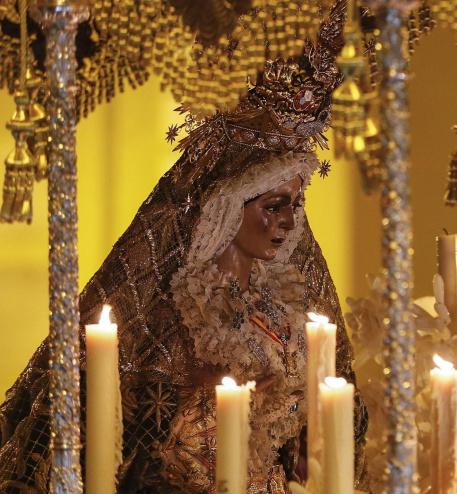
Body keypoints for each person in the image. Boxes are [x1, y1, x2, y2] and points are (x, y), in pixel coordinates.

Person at [0, 2, 368, 492]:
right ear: (228, 206)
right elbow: (131, 440)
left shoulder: (290, 309)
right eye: (274, 205)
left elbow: (327, 429)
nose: (288, 221)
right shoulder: (174, 314)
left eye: (295, 205)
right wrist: (210, 402)